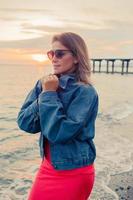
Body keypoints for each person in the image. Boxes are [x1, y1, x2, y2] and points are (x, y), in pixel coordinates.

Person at [17, 32, 99, 200]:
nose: (54, 58)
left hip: (74, 171)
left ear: (76, 57)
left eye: (60, 53)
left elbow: (60, 133)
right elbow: (25, 123)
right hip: (48, 166)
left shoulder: (85, 92)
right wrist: (45, 94)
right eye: (51, 54)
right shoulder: (44, 84)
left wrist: (49, 95)